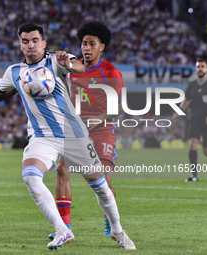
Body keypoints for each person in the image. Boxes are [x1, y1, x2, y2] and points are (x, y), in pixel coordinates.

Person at [0, 22, 136, 250]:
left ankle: (118, 230)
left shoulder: (56, 60)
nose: (30, 45)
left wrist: (67, 62)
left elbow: (79, 68)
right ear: (20, 45)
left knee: (100, 186)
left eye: (35, 40)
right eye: (25, 41)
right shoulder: (15, 72)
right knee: (31, 176)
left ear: (43, 43)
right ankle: (62, 229)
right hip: (42, 137)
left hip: (74, 135)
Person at [48, 21, 125, 241]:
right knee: (63, 171)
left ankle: (111, 224)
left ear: (102, 46)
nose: (86, 48)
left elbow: (120, 106)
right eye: (84, 43)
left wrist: (99, 118)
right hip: (74, 131)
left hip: (102, 131)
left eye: (92, 43)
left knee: (105, 183)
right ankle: (65, 226)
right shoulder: (70, 68)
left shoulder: (111, 72)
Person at [173, 59, 207, 182]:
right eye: (198, 67)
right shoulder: (192, 85)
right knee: (193, 144)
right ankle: (194, 175)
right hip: (196, 118)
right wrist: (178, 112)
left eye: (203, 66)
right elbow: (187, 100)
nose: (200, 68)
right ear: (196, 69)